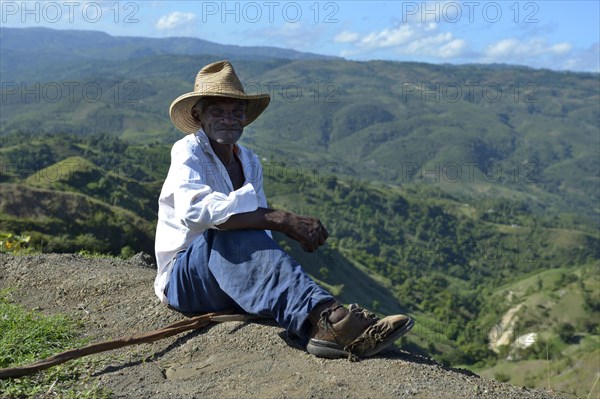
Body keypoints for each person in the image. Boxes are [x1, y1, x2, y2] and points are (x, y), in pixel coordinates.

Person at [154, 60, 414, 359]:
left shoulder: (249, 161)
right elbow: (197, 212)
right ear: (199, 115)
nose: (229, 119)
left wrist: (275, 227)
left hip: (228, 276)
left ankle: (324, 322)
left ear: (246, 118)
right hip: (185, 281)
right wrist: (282, 219)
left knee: (245, 234)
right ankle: (333, 320)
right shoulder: (188, 151)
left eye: (236, 112)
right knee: (225, 233)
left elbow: (256, 232)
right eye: (218, 111)